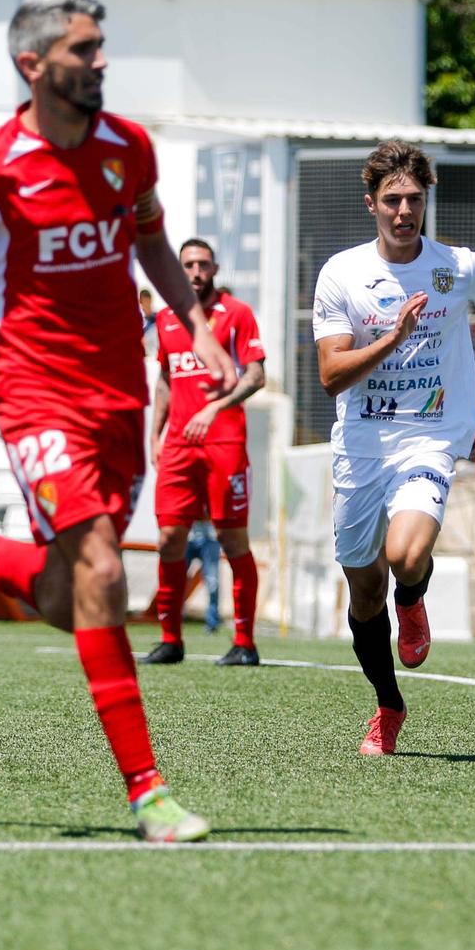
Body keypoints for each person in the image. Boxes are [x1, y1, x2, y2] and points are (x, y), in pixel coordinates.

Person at [0, 0, 238, 843]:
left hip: (118, 389)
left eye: (102, 46)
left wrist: (195, 324)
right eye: (84, 50)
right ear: (33, 65)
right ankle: (148, 792)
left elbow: (151, 237)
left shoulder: (129, 148)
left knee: (67, 594)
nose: (102, 62)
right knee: (104, 572)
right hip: (32, 389)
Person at [311, 141, 475, 755]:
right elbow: (331, 375)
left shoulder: (458, 265)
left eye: (414, 200)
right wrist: (394, 336)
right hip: (361, 447)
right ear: (371, 203)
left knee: (404, 556)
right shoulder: (341, 273)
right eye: (393, 200)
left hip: (429, 437)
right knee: (363, 591)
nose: (405, 211)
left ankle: (415, 595)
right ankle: (387, 703)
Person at [145, 237, 268, 667]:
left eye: (202, 265)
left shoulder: (237, 315)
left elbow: (256, 376)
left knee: (232, 538)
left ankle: (245, 642)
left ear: (213, 269)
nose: (195, 272)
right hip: (179, 443)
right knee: (168, 538)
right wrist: (154, 433)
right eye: (187, 266)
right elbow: (164, 377)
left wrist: (216, 407)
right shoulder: (165, 319)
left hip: (224, 442)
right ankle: (170, 639)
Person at [187, 520, 225, 634]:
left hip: (210, 537)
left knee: (213, 582)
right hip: (188, 535)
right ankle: (171, 620)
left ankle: (212, 622)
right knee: (176, 580)